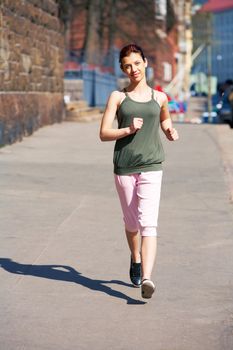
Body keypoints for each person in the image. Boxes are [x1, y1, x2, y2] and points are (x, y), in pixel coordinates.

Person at [99, 44, 179, 299]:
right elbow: (103, 133)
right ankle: (135, 257)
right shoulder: (118, 97)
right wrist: (127, 130)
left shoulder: (160, 97)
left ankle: (147, 277)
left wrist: (169, 130)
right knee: (131, 223)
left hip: (152, 166)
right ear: (123, 69)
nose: (133, 69)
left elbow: (164, 117)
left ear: (145, 62)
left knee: (148, 224)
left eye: (136, 63)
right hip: (124, 167)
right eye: (127, 66)